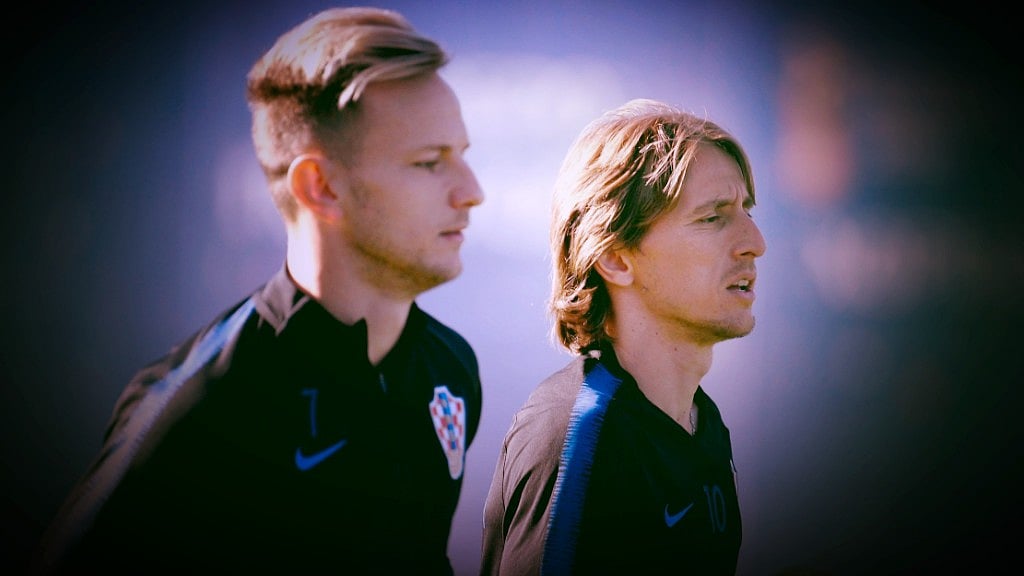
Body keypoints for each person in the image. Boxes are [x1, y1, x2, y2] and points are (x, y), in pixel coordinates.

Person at [34, 6, 484, 575]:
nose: (472, 191)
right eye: (428, 162)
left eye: (462, 156)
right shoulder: (204, 407)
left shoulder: (449, 370)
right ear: (320, 187)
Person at [480, 99, 766, 575]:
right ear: (614, 257)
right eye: (712, 217)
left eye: (747, 212)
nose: (755, 243)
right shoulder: (577, 436)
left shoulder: (704, 425)